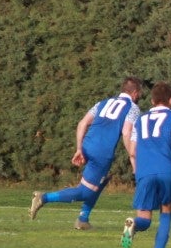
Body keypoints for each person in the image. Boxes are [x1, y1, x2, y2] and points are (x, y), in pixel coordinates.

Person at [29, 77, 143, 230]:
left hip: (87, 146)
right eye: (140, 93)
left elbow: (82, 123)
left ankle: (83, 219)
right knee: (84, 192)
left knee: (102, 181)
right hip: (102, 153)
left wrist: (79, 149)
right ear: (135, 93)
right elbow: (127, 131)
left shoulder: (103, 103)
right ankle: (44, 197)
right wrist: (133, 154)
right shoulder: (132, 108)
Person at [120, 82, 171, 248]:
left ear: (152, 100)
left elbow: (132, 150)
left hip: (145, 171)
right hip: (166, 170)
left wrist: (137, 166)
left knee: (145, 219)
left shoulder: (140, 120)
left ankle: (134, 223)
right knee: (166, 213)